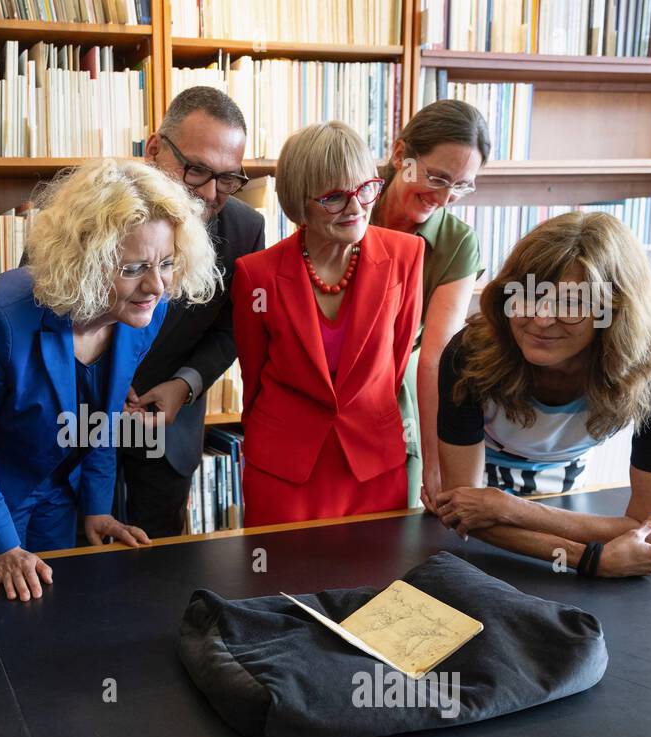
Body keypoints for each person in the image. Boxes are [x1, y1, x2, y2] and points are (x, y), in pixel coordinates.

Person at [0, 158, 218, 601]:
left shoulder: (146, 309)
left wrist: (97, 509)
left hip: (57, 502)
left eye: (168, 263)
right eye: (134, 268)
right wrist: (4, 547)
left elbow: (102, 416)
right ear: (86, 259)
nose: (157, 286)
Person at [435, 211, 651, 577]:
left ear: (613, 309)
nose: (540, 319)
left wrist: (508, 508)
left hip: (562, 493)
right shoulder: (469, 354)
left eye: (570, 303)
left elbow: (649, 530)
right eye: (527, 295)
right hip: (478, 520)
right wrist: (591, 559)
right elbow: (463, 508)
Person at [232, 122, 424, 525]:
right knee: (280, 580)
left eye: (365, 188)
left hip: (373, 461)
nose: (356, 208)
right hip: (284, 467)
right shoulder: (256, 275)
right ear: (299, 202)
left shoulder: (407, 255)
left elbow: (398, 358)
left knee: (376, 584)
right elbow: (254, 378)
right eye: (335, 197)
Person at [120, 87, 266, 537]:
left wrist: (185, 385)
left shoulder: (246, 229)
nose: (209, 192)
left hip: (167, 437)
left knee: (156, 571)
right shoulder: (88, 213)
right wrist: (96, 379)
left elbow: (231, 331)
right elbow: (43, 314)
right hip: (75, 428)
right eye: (197, 169)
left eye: (227, 178)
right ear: (154, 149)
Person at [371, 100, 489, 511]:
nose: (444, 197)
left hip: (400, 396)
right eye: (438, 177)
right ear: (401, 154)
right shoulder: (349, 205)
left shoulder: (458, 243)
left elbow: (437, 357)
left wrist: (436, 465)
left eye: (461, 186)